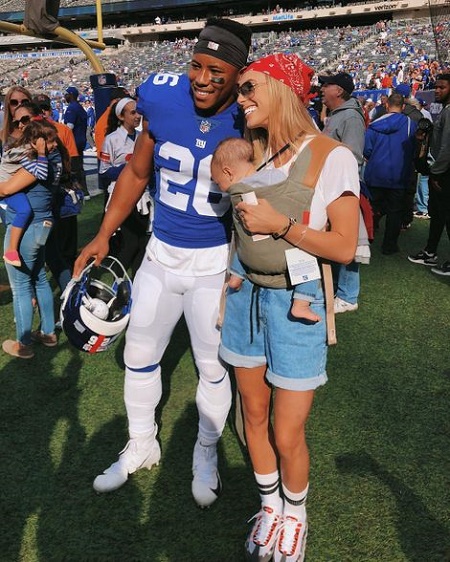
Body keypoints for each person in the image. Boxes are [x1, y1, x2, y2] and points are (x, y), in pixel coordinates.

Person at [73, 18, 252, 506]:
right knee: (138, 354)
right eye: (195, 65)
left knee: (212, 365)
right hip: (160, 254)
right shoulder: (161, 97)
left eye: (215, 70)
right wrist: (103, 234)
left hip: (215, 263)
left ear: (239, 75)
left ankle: (206, 450)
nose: (200, 78)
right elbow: (136, 170)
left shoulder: (253, 115)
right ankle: (141, 443)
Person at [219, 53, 360, 562]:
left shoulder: (331, 156)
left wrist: (280, 226)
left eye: (249, 88)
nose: (241, 100)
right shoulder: (251, 155)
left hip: (295, 305)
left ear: (281, 87)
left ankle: (295, 514)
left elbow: (344, 247)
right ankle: (270, 506)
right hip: (244, 299)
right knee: (252, 415)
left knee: (286, 428)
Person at [211, 137, 321, 322]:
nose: (220, 188)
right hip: (284, 245)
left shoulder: (239, 193)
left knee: (242, 244)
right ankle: (301, 304)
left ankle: (236, 277)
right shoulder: (274, 175)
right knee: (307, 260)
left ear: (228, 172)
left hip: (253, 247)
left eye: (218, 182)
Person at [0, 118, 61, 359]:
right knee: (40, 279)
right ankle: (48, 332)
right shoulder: (55, 160)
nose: (54, 144)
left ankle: (23, 344)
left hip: (28, 229)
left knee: (22, 287)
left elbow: (5, 190)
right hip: (43, 225)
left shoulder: (37, 161)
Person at [319, 72, 365, 314]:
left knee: (349, 240)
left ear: (339, 90)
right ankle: (338, 288)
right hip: (331, 186)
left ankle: (348, 296)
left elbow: (353, 156)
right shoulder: (338, 115)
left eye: (327, 85)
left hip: (344, 188)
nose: (322, 89)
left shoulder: (350, 117)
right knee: (334, 238)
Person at [99, 97, 152, 276]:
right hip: (122, 194)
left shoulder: (141, 137)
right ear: (121, 117)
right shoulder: (111, 139)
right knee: (130, 244)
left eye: (138, 112)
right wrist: (128, 169)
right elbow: (104, 172)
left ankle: (135, 287)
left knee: (141, 243)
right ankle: (114, 285)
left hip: (143, 197)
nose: (137, 116)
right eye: (132, 112)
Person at [364, 93, 417, 255]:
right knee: (395, 213)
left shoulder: (374, 125)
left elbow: (367, 149)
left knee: (371, 209)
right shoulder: (410, 124)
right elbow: (414, 149)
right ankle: (389, 246)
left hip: (376, 173)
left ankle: (365, 242)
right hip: (398, 175)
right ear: (403, 107)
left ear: (386, 105)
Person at [408, 73, 450, 275]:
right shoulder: (445, 110)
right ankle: (431, 251)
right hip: (442, 171)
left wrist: (436, 172)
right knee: (439, 215)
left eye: (442, 87)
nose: (438, 91)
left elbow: (447, 148)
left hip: (444, 173)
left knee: (445, 216)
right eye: (437, 87)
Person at [1, 119, 52, 266]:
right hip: (6, 189)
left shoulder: (22, 148)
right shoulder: (26, 154)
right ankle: (11, 251)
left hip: (6, 187)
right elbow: (42, 173)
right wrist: (42, 153)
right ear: (37, 141)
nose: (54, 145)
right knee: (24, 210)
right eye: (50, 141)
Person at [64, 86, 89, 199]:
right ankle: (84, 190)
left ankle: (80, 191)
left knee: (74, 168)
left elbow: (69, 127)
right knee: (79, 167)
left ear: (71, 95)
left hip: (73, 142)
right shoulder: (79, 107)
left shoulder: (72, 108)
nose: (65, 96)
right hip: (81, 140)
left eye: (67, 94)